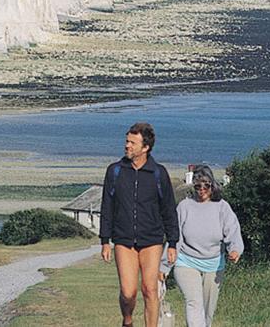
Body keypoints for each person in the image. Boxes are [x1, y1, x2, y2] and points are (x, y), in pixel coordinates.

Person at [100, 122, 180, 327]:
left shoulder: (158, 173)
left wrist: (172, 242)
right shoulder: (115, 171)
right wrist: (104, 240)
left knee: (150, 289)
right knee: (128, 293)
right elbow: (107, 206)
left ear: (145, 148)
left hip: (152, 239)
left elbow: (168, 209)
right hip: (123, 240)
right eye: (126, 141)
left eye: (132, 143)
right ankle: (127, 320)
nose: (127, 146)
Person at [160, 164, 243, 327]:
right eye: (198, 185)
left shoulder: (222, 207)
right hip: (186, 262)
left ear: (213, 185)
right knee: (194, 303)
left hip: (213, 265)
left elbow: (232, 230)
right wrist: (164, 267)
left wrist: (234, 249)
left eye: (206, 185)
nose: (202, 189)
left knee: (207, 311)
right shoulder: (184, 207)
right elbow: (175, 239)